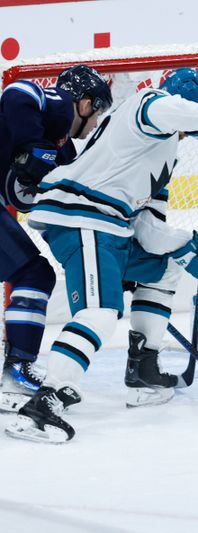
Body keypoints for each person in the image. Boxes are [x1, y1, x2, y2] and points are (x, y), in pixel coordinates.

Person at [4, 67, 198, 444]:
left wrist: (186, 248)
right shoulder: (144, 108)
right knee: (100, 313)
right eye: (197, 111)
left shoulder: (166, 157)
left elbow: (148, 229)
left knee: (161, 271)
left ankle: (143, 370)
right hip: (84, 218)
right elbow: (165, 109)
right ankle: (46, 401)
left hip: (109, 228)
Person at [1, 65, 112, 412]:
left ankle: (16, 368)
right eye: (97, 112)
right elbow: (17, 92)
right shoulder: (60, 107)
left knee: (37, 273)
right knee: (33, 274)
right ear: (83, 103)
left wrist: (94, 261)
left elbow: (59, 216)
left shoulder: (63, 156)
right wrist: (33, 145)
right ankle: (16, 369)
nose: (94, 124)